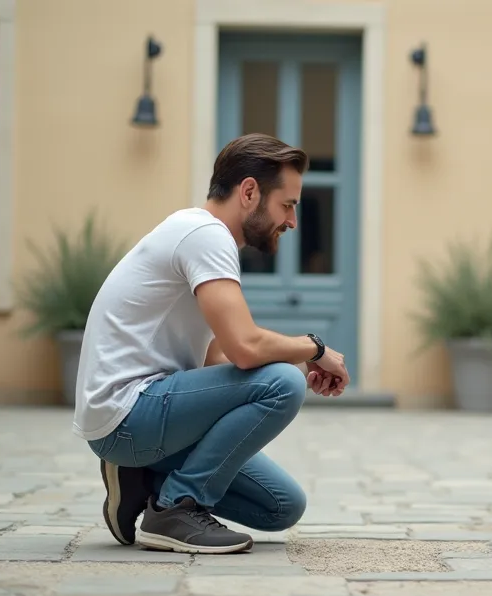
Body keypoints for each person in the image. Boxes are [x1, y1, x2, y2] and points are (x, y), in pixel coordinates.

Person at [72, 133, 351, 554]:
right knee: (283, 384)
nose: (292, 221)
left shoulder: (199, 235)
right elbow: (244, 348)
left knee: (281, 506)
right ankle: (175, 509)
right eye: (288, 205)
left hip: (138, 415)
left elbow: (218, 359)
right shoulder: (204, 234)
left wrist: (291, 359)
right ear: (250, 192)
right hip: (128, 412)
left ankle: (140, 478)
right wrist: (314, 349)